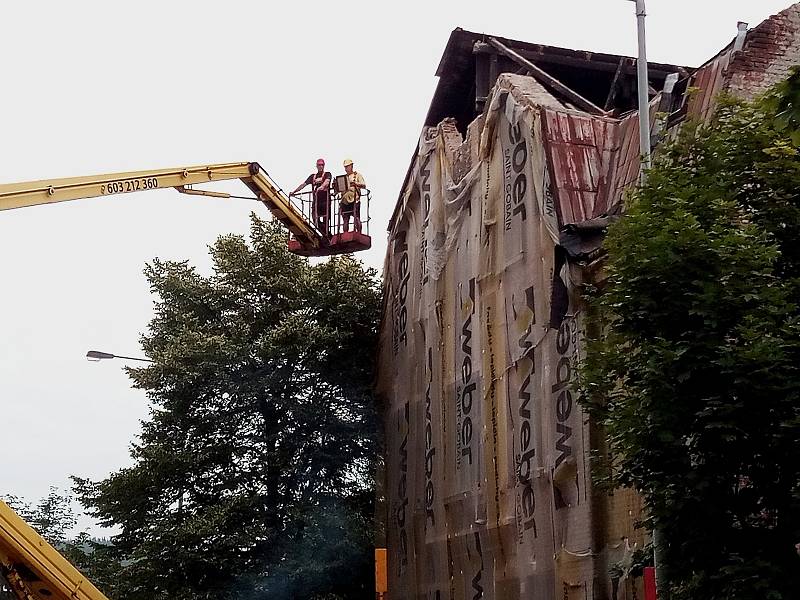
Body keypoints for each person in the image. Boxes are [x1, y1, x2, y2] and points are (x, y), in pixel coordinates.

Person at [290, 158, 332, 235]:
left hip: (325, 201)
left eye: (322, 165)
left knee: (326, 220)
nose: (320, 166)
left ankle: (327, 234)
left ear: (324, 166)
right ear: (316, 166)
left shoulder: (327, 174)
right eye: (319, 165)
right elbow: (303, 184)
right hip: (316, 201)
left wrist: (321, 187)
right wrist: (294, 192)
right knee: (315, 219)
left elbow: (327, 182)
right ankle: (326, 234)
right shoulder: (313, 176)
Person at [339, 158, 366, 233]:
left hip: (355, 200)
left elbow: (363, 185)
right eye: (345, 167)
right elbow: (337, 190)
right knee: (345, 219)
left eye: (347, 166)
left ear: (351, 166)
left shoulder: (357, 175)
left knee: (356, 217)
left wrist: (356, 184)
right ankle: (345, 234)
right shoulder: (343, 178)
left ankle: (359, 232)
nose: (346, 168)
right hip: (344, 201)